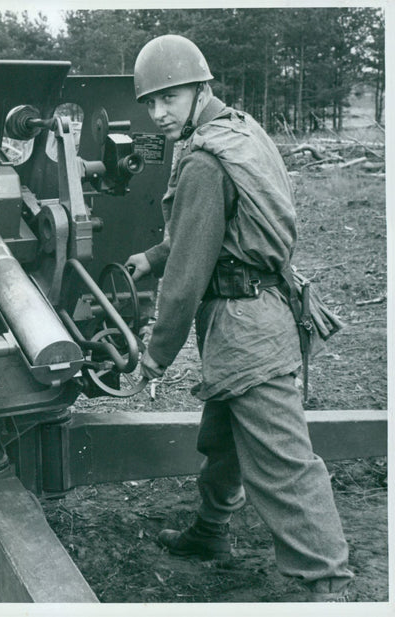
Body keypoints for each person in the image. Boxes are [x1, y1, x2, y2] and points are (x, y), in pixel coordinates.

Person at [125, 34, 354, 602]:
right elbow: (224, 228)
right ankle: (209, 533)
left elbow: (185, 280)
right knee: (223, 438)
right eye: (149, 102)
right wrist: (153, 255)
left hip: (245, 324)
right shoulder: (240, 130)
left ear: (200, 88)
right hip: (257, 310)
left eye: (168, 98)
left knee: (283, 461)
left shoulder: (204, 160)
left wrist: (155, 354)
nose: (157, 113)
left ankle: (327, 584)